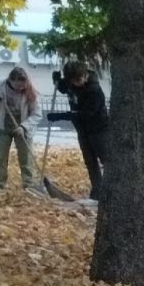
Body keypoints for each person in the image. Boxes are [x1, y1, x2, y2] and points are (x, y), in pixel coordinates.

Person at [49, 62, 110, 200]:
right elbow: (63, 88)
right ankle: (98, 191)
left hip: (99, 129)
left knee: (106, 160)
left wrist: (60, 116)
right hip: (82, 130)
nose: (78, 83)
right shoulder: (71, 83)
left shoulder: (94, 90)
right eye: (74, 81)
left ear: (85, 75)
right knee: (90, 161)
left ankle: (112, 190)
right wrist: (56, 80)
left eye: (80, 79)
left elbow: (85, 114)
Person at [0, 66, 40, 193]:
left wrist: (24, 127)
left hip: (23, 129)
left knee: (26, 158)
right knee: (0, 157)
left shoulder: (29, 91)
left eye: (23, 86)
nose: (21, 88)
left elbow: (37, 114)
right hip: (2, 128)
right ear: (11, 80)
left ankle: (29, 185)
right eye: (18, 86)